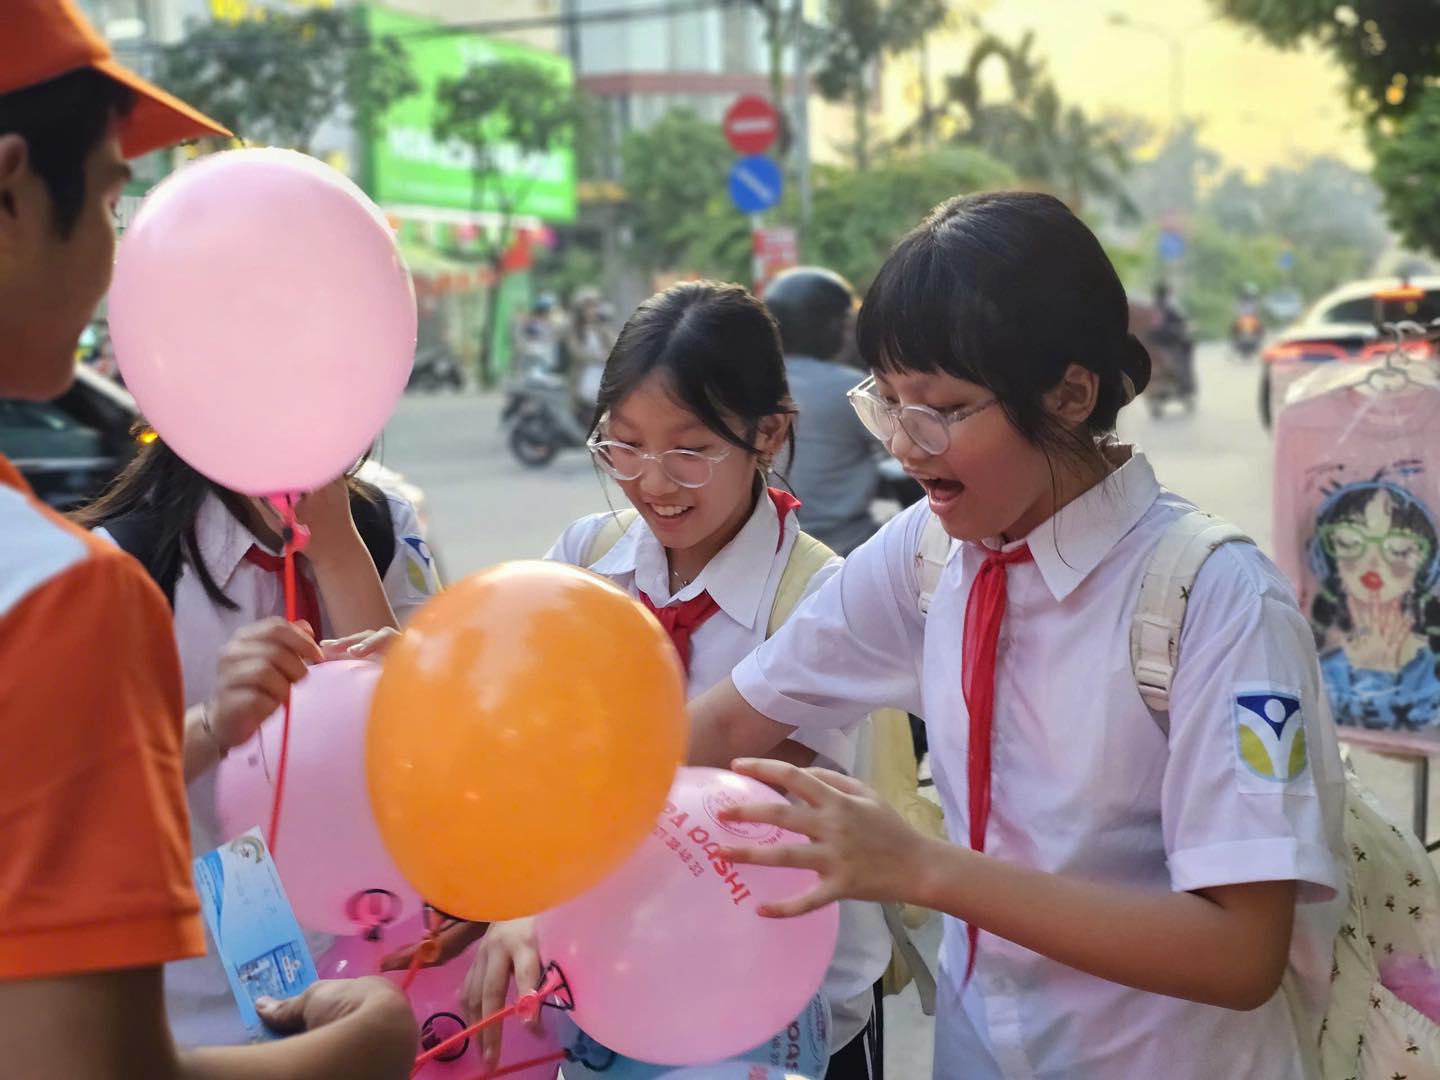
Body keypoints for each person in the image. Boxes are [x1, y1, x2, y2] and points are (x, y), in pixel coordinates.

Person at [684, 193, 1347, 1078]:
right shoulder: (928, 554)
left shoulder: (1214, 601)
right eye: (890, 403)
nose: (907, 448)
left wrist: (925, 870)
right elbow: (730, 724)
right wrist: (536, 883)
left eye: (944, 409)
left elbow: (1239, 954)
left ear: (1070, 393)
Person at [0, 2, 416, 1076]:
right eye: (103, 199)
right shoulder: (59, 590)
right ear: (9, 190)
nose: (107, 259)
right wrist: (354, 1052)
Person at [461, 282, 892, 1078]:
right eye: (622, 446)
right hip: (606, 985)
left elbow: (753, 818)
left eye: (690, 449)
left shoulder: (818, 599)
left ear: (769, 432)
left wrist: (546, 897)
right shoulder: (591, 557)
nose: (653, 481)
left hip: (786, 1013)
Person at [72, 437, 440, 1046]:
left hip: (363, 972)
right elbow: (72, 808)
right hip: (189, 1007)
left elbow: (416, 761)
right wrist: (212, 727)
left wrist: (340, 552)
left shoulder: (381, 524)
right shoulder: (123, 564)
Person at [763, 266, 883, 556]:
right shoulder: (851, 389)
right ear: (829, 327)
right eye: (845, 322)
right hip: (846, 545)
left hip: (769, 546)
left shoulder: (754, 384)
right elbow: (912, 449)